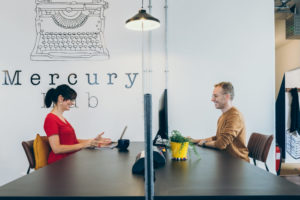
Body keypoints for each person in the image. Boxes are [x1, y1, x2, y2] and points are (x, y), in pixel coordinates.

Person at [44, 84, 112, 164]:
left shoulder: (62, 119)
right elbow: (56, 149)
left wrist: (93, 141)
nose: (72, 103)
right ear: (61, 98)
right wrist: (85, 144)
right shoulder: (51, 119)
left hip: (69, 161)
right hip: (58, 165)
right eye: (71, 100)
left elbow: (73, 142)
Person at [190, 82, 250, 162]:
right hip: (227, 160)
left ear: (227, 97)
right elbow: (218, 137)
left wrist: (204, 143)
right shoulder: (223, 116)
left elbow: (221, 144)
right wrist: (195, 140)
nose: (212, 99)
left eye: (215, 96)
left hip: (237, 163)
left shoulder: (235, 116)